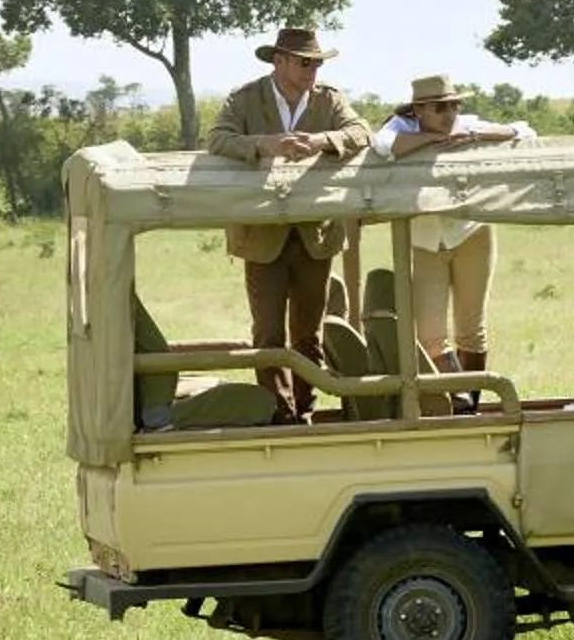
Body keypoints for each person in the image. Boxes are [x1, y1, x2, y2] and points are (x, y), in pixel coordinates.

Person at [203, 26, 371, 421]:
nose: (312, 69)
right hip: (262, 233)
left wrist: (321, 141)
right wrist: (265, 144)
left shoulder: (330, 100)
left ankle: (304, 409)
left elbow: (361, 131)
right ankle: (279, 413)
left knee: (308, 334)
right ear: (278, 61)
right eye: (304, 62)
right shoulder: (245, 99)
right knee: (267, 333)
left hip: (316, 231)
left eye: (316, 63)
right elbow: (217, 139)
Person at [371, 73, 538, 391]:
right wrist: (432, 140)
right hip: (424, 239)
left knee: (472, 330)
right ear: (418, 110)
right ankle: (454, 398)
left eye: (454, 107)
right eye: (440, 108)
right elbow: (381, 145)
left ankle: (468, 405)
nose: (450, 115)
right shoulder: (399, 128)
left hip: (470, 232)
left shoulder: (467, 125)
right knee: (428, 335)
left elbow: (525, 131)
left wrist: (476, 136)